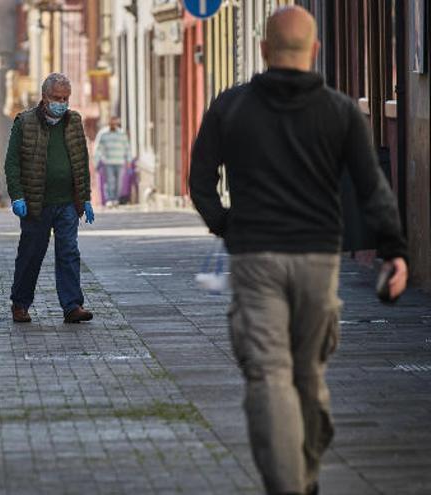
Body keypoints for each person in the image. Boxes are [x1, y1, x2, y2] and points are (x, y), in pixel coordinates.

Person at [189, 7, 408, 494]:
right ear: (314, 51)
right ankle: (303, 473)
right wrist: (395, 252)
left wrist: (227, 225)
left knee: (269, 374)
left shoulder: (230, 107)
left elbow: (200, 181)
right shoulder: (341, 110)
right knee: (308, 374)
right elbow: (373, 188)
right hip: (318, 260)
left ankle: (292, 483)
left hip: (255, 259)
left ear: (265, 51)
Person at [4, 72, 94, 324]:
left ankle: (72, 305)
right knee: (31, 253)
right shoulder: (25, 122)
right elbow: (12, 163)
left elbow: (81, 161)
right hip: (36, 203)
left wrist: (85, 198)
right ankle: (20, 304)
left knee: (69, 253)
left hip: (67, 202)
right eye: (56, 98)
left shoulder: (74, 121)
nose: (61, 103)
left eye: (65, 98)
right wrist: (17, 196)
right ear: (44, 97)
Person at [92, 115, 132, 205]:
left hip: (120, 162)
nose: (113, 124)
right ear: (109, 123)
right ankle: (110, 199)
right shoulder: (103, 134)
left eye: (115, 122)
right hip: (108, 162)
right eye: (111, 122)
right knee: (110, 181)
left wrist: (129, 160)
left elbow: (127, 148)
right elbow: (97, 148)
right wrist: (96, 161)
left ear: (117, 123)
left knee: (119, 182)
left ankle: (116, 199)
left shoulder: (122, 134)